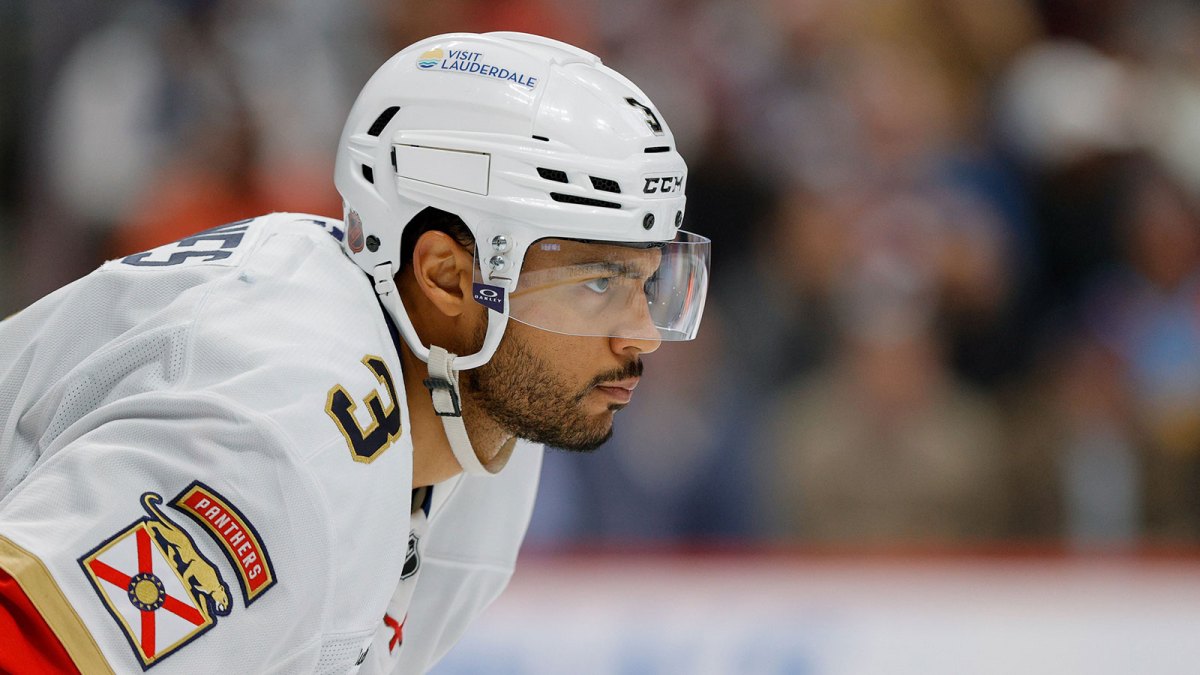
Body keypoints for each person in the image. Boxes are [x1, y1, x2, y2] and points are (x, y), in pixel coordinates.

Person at [0, 31, 710, 674]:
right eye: (596, 282)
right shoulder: (278, 441)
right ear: (446, 276)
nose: (641, 333)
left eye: (649, 279)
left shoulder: (484, 411)